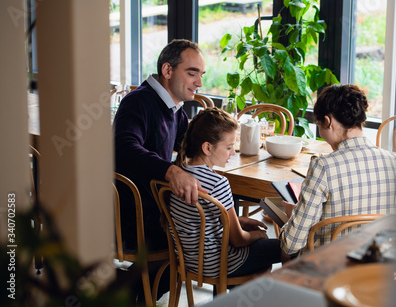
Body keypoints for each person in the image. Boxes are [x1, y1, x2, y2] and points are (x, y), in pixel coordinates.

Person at [113, 39, 208, 302]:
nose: (199, 82)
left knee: (205, 230)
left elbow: (188, 147)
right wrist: (171, 171)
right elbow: (123, 147)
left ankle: (125, 290)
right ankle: (125, 291)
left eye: (201, 74)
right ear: (167, 71)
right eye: (192, 73)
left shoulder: (174, 109)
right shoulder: (138, 102)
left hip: (151, 208)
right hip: (129, 216)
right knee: (194, 242)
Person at [280, 84, 396, 256]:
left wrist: (294, 218)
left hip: (328, 274)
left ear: (327, 122)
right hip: (379, 272)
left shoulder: (323, 167)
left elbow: (290, 244)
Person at [171, 107, 282, 279]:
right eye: (229, 147)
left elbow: (200, 221)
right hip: (221, 264)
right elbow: (238, 240)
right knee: (290, 246)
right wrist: (257, 235)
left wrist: (237, 221)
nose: (233, 152)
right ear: (207, 148)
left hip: (191, 261)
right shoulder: (218, 183)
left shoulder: (179, 174)